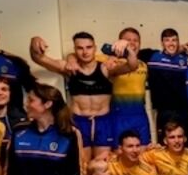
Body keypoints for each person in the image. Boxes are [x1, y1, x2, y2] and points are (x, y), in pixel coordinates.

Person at [30, 31, 137, 163]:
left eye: (89, 47)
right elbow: (38, 58)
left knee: (102, 165)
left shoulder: (106, 68)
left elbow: (132, 65)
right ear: (75, 50)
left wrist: (127, 46)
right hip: (79, 121)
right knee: (82, 164)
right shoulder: (69, 68)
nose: (85, 52)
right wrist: (35, 40)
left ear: (95, 48)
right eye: (80, 48)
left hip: (103, 122)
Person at [145, 28, 188, 137]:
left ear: (178, 42)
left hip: (183, 110)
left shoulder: (185, 59)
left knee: (184, 141)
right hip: (164, 111)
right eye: (167, 40)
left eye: (174, 40)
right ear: (162, 43)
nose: (171, 43)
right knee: (165, 142)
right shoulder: (153, 58)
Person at [109, 27, 152, 146]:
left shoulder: (143, 64)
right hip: (119, 115)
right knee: (119, 152)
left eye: (135, 40)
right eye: (128, 40)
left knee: (144, 151)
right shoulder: (112, 62)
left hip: (140, 114)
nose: (132, 43)